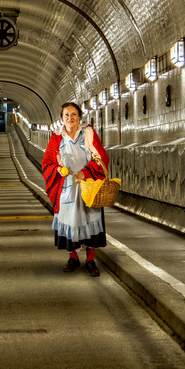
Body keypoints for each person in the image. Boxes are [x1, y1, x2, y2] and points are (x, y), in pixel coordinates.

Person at [42, 101, 109, 276]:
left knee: (90, 220)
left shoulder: (88, 133)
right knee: (70, 221)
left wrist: (86, 172)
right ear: (62, 118)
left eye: (73, 114)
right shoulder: (56, 137)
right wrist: (57, 169)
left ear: (79, 117)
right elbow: (47, 162)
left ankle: (90, 260)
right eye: (66, 115)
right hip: (66, 187)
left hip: (88, 186)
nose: (70, 118)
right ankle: (73, 257)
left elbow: (101, 158)